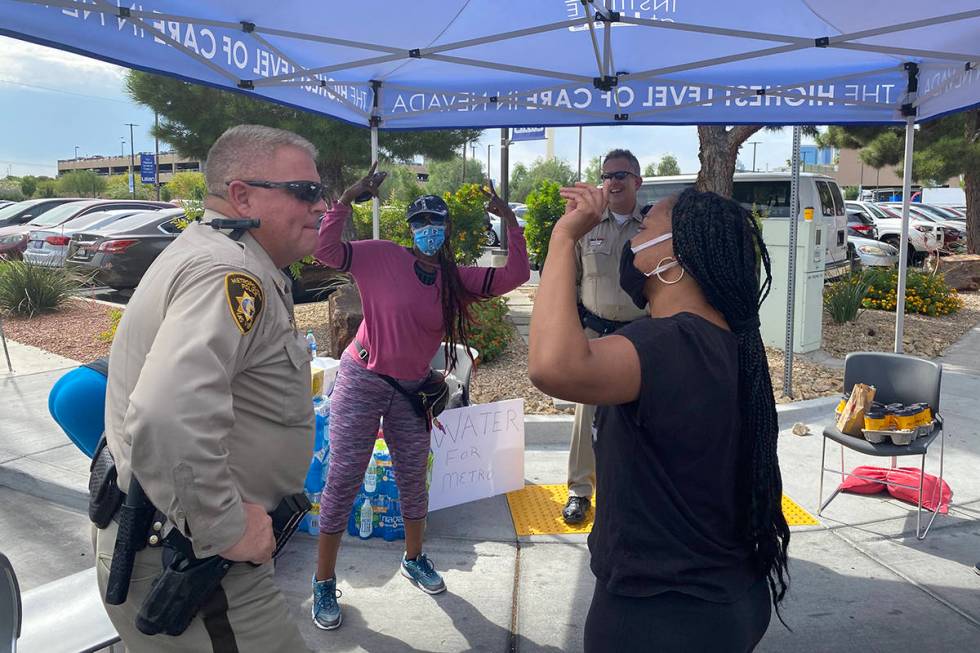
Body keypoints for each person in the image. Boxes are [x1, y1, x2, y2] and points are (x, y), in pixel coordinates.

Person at [528, 185, 789, 652]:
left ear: (675, 258)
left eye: (647, 227)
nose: (634, 236)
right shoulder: (720, 341)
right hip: (723, 599)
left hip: (659, 616)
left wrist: (563, 239)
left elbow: (554, 366)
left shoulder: (668, 344)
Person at [96, 124, 325, 652]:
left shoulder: (219, 256)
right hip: (197, 563)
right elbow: (167, 416)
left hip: (183, 548)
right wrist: (224, 527)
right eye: (305, 191)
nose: (320, 206)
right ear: (241, 194)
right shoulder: (228, 271)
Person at [311, 175, 530, 631]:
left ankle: (414, 558)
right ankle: (323, 580)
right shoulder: (381, 256)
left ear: (446, 229)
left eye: (435, 220)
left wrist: (510, 220)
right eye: (419, 220)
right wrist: (346, 200)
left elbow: (516, 275)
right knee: (345, 477)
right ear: (410, 226)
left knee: (414, 478)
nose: (427, 226)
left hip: (412, 390)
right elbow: (326, 252)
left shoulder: (455, 280)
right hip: (364, 377)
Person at [563, 149, 648, 525]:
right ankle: (580, 491)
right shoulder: (586, 226)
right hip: (595, 331)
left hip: (640, 334)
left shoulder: (651, 229)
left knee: (642, 414)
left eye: (621, 175)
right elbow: (571, 280)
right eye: (607, 175)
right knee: (587, 411)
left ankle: (636, 490)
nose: (612, 182)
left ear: (637, 182)